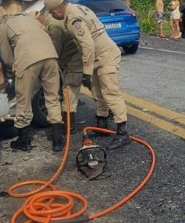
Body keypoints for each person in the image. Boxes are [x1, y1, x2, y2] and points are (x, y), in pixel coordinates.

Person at [45, 0, 131, 149]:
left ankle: (122, 132)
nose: (52, 15)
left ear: (58, 9)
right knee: (98, 92)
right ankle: (102, 123)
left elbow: (88, 46)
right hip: (98, 57)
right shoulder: (77, 8)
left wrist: (86, 72)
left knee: (110, 93)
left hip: (105, 56)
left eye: (52, 12)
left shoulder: (73, 19)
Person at [0, 13, 65, 152]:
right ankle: (58, 139)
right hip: (50, 56)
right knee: (52, 97)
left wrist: (13, 68)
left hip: (27, 59)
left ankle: (24, 140)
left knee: (23, 99)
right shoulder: (31, 20)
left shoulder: (3, 26)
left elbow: (6, 56)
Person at [44, 13, 83, 131]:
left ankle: (68, 125)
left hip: (75, 59)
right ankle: (106, 113)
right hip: (73, 57)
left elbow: (54, 52)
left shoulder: (54, 27)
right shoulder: (56, 20)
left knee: (70, 89)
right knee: (93, 86)